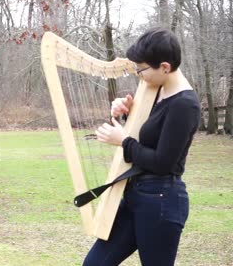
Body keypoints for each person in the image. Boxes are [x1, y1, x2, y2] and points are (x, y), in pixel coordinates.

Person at [84, 27, 201, 265]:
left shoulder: (185, 105)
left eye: (142, 69)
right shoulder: (157, 91)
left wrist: (123, 141)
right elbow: (148, 136)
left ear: (165, 67)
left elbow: (162, 162)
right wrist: (126, 113)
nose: (138, 74)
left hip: (161, 201)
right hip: (136, 195)